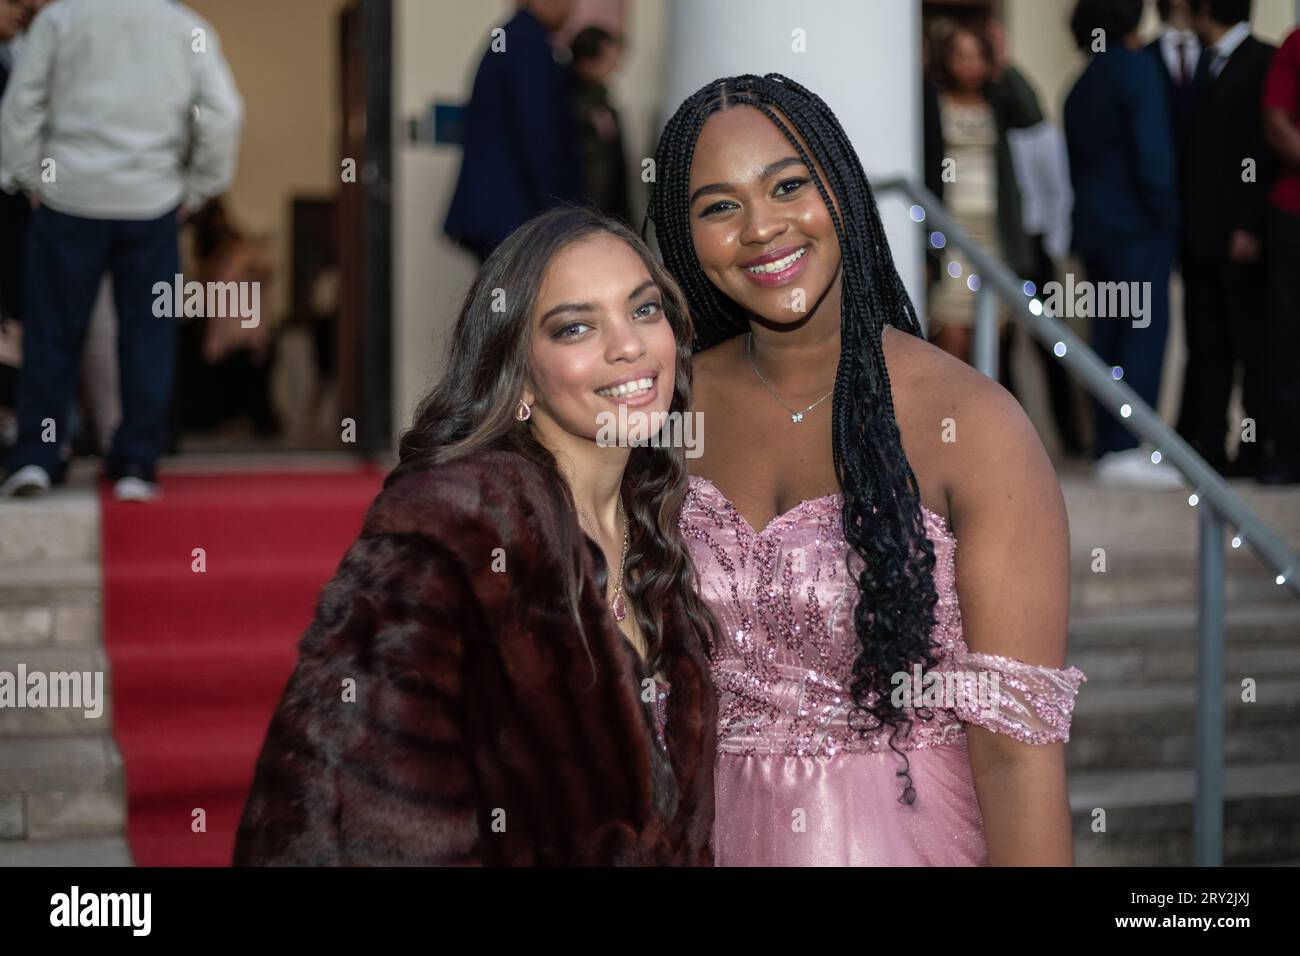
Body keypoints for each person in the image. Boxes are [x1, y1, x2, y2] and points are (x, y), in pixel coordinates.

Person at [648, 73, 1085, 866]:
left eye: (789, 185)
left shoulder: (975, 426)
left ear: (842, 188)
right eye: (718, 206)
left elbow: (1016, 758)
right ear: (683, 239)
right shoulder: (661, 412)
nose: (761, 228)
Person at [234, 206, 719, 865]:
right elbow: (336, 811)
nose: (628, 347)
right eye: (575, 327)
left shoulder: (660, 529)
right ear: (518, 374)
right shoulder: (455, 527)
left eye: (643, 310)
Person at [0, 0, 243, 501]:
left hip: (68, 197)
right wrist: (198, 189)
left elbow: (22, 104)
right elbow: (224, 114)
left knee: (52, 333)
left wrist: (25, 176)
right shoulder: (186, 28)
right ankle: (135, 462)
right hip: (150, 203)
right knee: (147, 335)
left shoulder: (59, 20)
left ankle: (37, 458)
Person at [1064, 0, 1182, 488]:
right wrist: (1169, 219)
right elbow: (1152, 156)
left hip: (1096, 230)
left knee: (1109, 334)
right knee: (1142, 333)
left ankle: (1110, 445)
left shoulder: (1081, 83)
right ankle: (1130, 446)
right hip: (1138, 229)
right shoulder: (1137, 70)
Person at [1176, 0, 1277, 478]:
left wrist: (1249, 226)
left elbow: (1263, 153)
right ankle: (1210, 447)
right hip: (1201, 237)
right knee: (1208, 345)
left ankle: (1255, 448)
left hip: (1241, 237)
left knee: (1251, 349)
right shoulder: (1202, 64)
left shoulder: (1263, 61)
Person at [925, 21, 1041, 364]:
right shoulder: (931, 101)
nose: (969, 64)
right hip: (949, 235)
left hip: (995, 235)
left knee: (991, 342)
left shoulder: (998, 100)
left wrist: (1005, 63)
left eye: (977, 55)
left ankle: (983, 417)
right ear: (946, 59)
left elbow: (1032, 114)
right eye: (960, 55)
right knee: (950, 339)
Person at [443, 0, 584, 263]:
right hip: (515, 215)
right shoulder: (528, 44)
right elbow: (540, 140)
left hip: (500, 212)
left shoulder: (513, 37)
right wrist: (563, 218)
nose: (571, 9)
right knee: (519, 299)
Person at [1259, 25, 1300, 485]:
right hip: (1294, 211)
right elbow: (1276, 118)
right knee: (1287, 336)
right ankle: (1288, 452)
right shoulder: (1296, 44)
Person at [570, 25, 631, 224]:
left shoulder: (600, 98)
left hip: (603, 203)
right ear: (588, 61)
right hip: (584, 203)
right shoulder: (573, 102)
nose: (614, 66)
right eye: (607, 58)